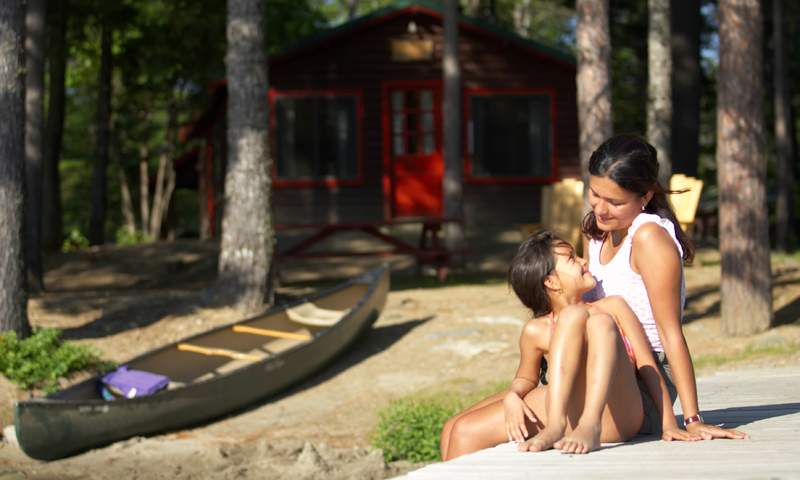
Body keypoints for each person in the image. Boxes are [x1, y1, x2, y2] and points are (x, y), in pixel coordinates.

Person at [440, 230, 697, 461]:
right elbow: (526, 378)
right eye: (572, 259)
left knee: (590, 321)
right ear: (551, 281)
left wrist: (668, 424)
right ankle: (558, 423)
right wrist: (512, 396)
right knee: (454, 428)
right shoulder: (536, 331)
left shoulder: (613, 307)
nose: (585, 261)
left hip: (620, 414)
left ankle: (583, 425)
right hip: (571, 406)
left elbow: (647, 366)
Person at [581, 134, 749, 440]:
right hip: (596, 368)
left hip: (646, 383)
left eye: (615, 202)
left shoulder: (647, 238)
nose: (601, 208)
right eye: (595, 193)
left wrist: (692, 418)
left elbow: (670, 333)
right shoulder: (597, 232)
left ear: (645, 196)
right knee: (465, 425)